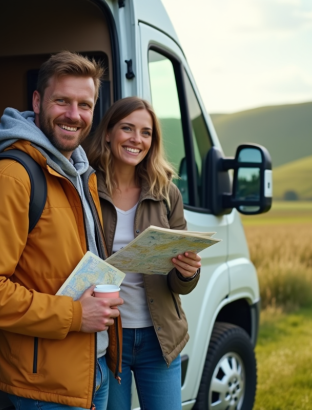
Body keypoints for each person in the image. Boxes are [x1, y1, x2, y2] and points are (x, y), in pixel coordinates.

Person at [0, 51, 123, 410]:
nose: (74, 115)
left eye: (85, 104)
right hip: (43, 386)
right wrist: (78, 315)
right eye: (62, 101)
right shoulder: (10, 179)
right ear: (37, 101)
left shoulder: (80, 172)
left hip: (88, 370)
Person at [83, 97, 202, 410]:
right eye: (127, 128)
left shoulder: (166, 192)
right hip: (107, 339)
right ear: (108, 133)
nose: (137, 139)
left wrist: (187, 272)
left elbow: (180, 283)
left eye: (146, 132)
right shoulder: (86, 186)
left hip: (159, 339)